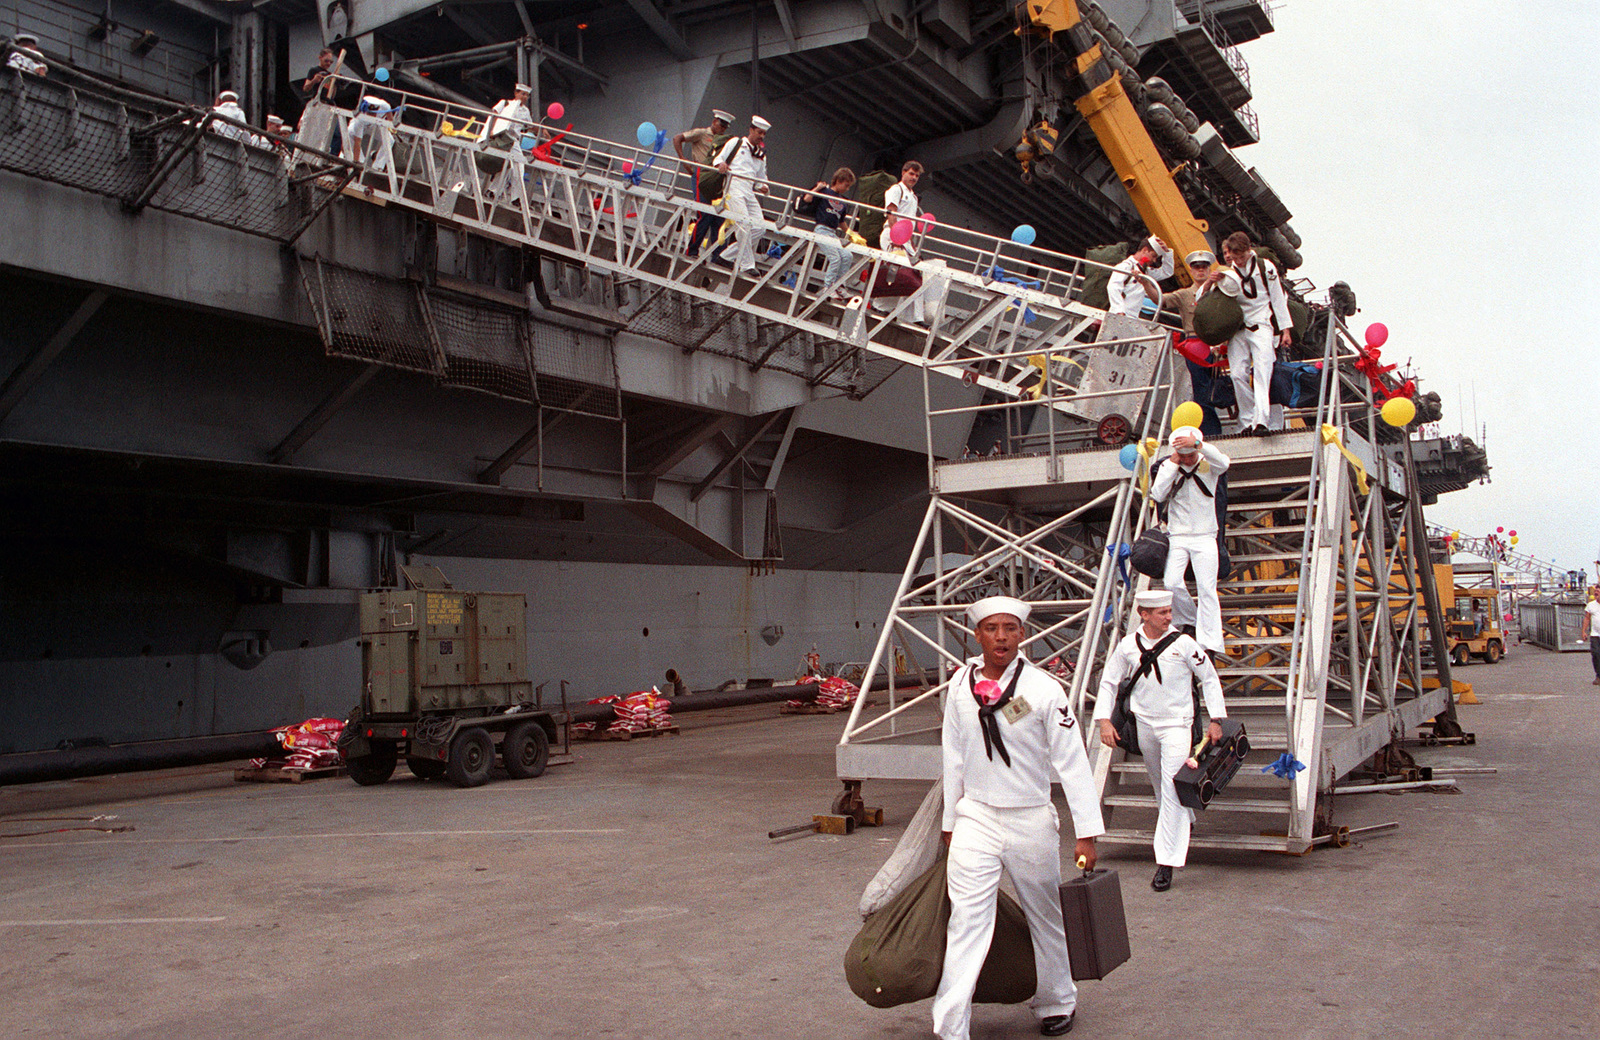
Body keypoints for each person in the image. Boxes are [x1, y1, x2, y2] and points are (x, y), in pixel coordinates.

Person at [935, 595, 1104, 1040]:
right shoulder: (958, 685)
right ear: (977, 636)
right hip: (976, 817)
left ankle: (1056, 1001)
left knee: (1044, 915)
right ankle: (952, 1026)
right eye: (992, 628)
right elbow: (952, 756)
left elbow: (1072, 761)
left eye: (1010, 628)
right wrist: (951, 822)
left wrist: (1086, 831)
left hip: (1030, 818)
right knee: (967, 921)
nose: (1001, 637)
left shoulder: (1044, 689)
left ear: (1022, 635)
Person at [1093, 589, 1226, 892]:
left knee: (1171, 787)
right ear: (1144, 614)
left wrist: (1216, 719)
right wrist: (1103, 720)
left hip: (1177, 725)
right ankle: (1185, 819)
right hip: (1145, 725)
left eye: (1169, 611)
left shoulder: (1185, 643)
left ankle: (1166, 861)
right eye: (1163, 613)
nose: (1169, 617)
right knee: (1159, 784)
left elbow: (1209, 678)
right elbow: (1110, 681)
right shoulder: (1128, 645)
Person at [1150, 425, 1230, 654]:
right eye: (1182, 456)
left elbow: (1223, 463)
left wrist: (1198, 445)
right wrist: (1173, 463)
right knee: (1172, 582)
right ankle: (1190, 620)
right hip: (1178, 535)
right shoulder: (1170, 466)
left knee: (1207, 588)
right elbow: (1157, 493)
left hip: (1205, 535)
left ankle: (1211, 640)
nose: (1187, 460)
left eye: (1190, 455)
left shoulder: (1208, 462)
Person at [1216, 231, 1292, 435]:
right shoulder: (1227, 274)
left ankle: (1261, 421)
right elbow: (1213, 303)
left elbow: (1277, 298)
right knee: (1238, 375)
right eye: (1235, 257)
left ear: (1249, 251)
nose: (1239, 261)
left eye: (1242, 256)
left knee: (1262, 371)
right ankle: (1247, 420)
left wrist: (1285, 330)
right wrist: (1211, 281)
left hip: (1262, 325)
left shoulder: (1265, 267)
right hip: (1238, 330)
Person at [1161, 249, 1226, 437]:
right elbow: (1160, 300)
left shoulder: (1219, 292)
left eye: (1204, 267)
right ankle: (1211, 431)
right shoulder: (1183, 295)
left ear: (1209, 269)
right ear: (1191, 270)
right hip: (1194, 345)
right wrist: (1143, 282)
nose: (1200, 270)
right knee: (1201, 390)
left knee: (1217, 388)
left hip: (1216, 345)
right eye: (1197, 267)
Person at [711, 115, 770, 276]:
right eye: (759, 132)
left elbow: (761, 178)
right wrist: (721, 165)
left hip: (749, 190)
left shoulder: (761, 155)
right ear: (751, 130)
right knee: (743, 226)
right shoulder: (736, 143)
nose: (761, 136)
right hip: (734, 186)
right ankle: (747, 265)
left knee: (760, 227)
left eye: (764, 134)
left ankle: (725, 256)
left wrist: (763, 186)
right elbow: (718, 159)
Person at [799, 167, 856, 298]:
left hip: (833, 232)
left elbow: (841, 222)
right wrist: (818, 188)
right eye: (846, 185)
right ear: (839, 181)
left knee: (847, 256)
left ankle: (840, 285)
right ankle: (828, 287)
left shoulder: (843, 202)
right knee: (835, 258)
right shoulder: (825, 192)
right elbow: (807, 199)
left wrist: (851, 233)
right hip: (821, 229)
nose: (847, 189)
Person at [1107, 236, 1174, 318]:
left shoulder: (1146, 271)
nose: (1154, 260)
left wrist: (1167, 252)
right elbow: (1113, 287)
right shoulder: (1126, 266)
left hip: (1132, 317)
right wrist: (1119, 311)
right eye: (1153, 256)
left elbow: (1167, 272)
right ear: (1145, 250)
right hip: (1120, 315)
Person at [879, 160, 923, 252]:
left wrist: (911, 243)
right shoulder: (896, 189)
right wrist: (896, 238)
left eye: (917, 175)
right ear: (903, 173)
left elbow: (909, 221)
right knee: (895, 264)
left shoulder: (914, 197)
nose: (914, 177)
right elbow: (891, 214)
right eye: (911, 174)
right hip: (893, 235)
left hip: (905, 239)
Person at [1582, 589, 1600, 685]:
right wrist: (1584, 631)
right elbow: (1587, 618)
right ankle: (1598, 676)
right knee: (1596, 654)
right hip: (1595, 634)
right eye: (1595, 591)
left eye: (1598, 592)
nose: (1596, 593)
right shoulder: (1591, 605)